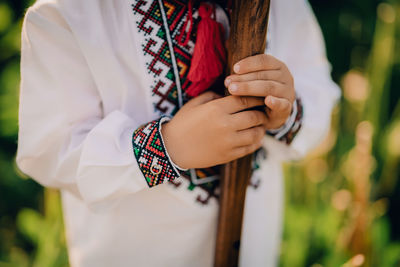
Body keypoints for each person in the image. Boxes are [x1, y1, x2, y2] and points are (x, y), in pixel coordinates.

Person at [16, 0, 340, 266]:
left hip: (253, 250)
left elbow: (319, 95)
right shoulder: (69, 13)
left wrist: (284, 111)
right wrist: (169, 145)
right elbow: (50, 150)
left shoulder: (282, 6)